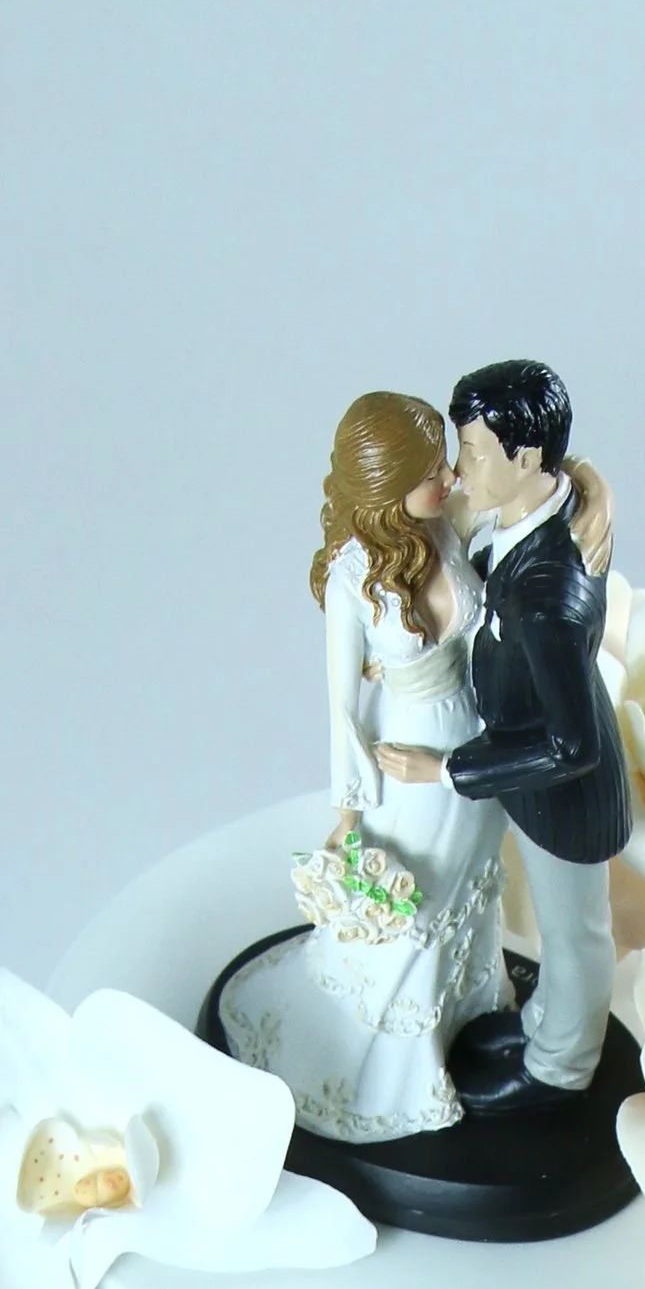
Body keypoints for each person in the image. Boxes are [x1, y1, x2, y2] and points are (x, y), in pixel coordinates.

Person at [216, 391, 510, 1142]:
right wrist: (349, 814)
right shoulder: (354, 578)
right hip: (404, 758)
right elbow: (342, 708)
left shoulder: (449, 525)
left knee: (467, 893)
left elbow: (527, 506)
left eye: (445, 464)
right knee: (412, 907)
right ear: (389, 486)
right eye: (431, 471)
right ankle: (394, 1068)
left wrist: (592, 492)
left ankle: (466, 1014)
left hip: (471, 747)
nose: (449, 478)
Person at [375, 358, 629, 1113]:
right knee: (558, 926)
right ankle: (542, 1023)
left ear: (526, 458)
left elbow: (571, 747)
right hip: (529, 775)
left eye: (473, 452)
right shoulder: (531, 514)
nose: (459, 471)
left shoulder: (548, 593)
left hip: (564, 797)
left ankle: (559, 1066)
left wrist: (445, 769)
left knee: (573, 931)